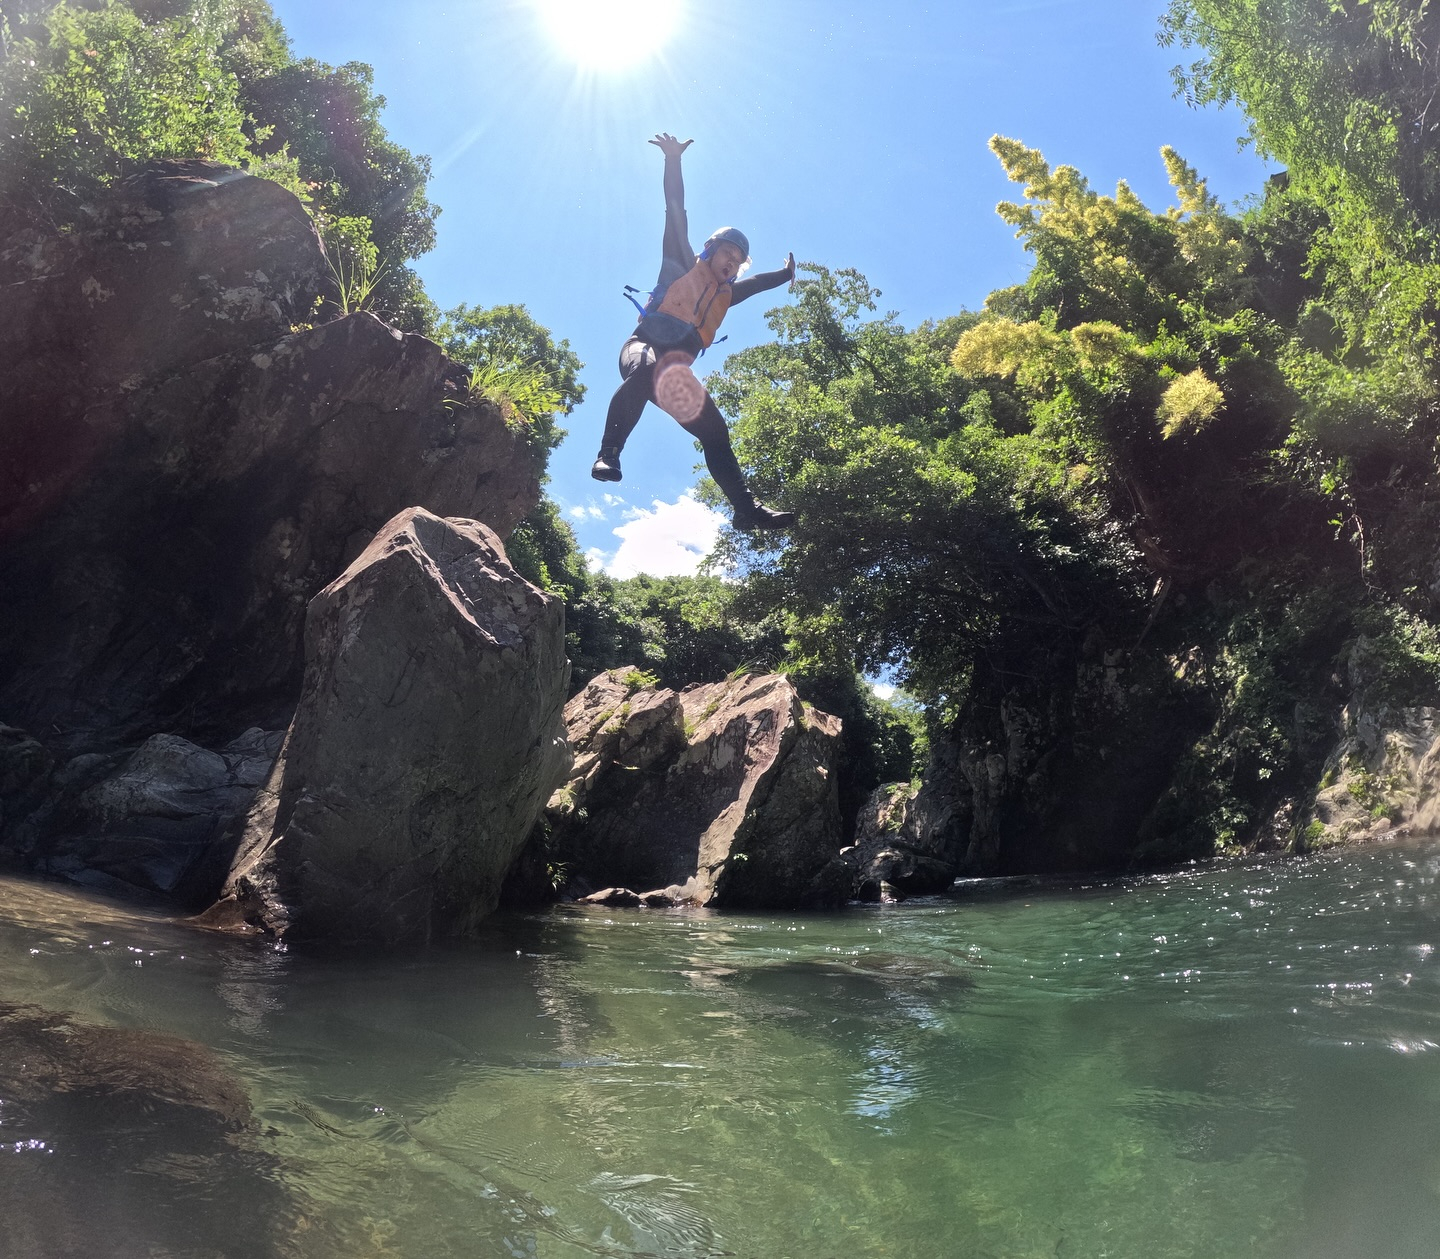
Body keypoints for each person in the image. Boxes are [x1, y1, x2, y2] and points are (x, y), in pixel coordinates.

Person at [592, 132, 797, 531]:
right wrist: (673, 160)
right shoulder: (680, 263)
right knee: (648, 370)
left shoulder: (727, 294)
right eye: (727, 254)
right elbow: (675, 211)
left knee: (716, 432)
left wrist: (786, 274)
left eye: (738, 261)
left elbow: (757, 285)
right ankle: (609, 454)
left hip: (676, 372)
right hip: (643, 348)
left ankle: (746, 508)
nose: (732, 264)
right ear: (710, 250)